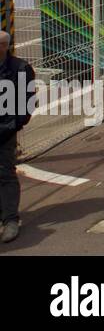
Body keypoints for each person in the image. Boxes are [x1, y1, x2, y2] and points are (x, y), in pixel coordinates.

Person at [0, 30, 36, 243]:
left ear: (5, 47)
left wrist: (12, 125)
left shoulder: (20, 69)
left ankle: (10, 219)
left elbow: (27, 103)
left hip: (5, 130)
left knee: (5, 173)